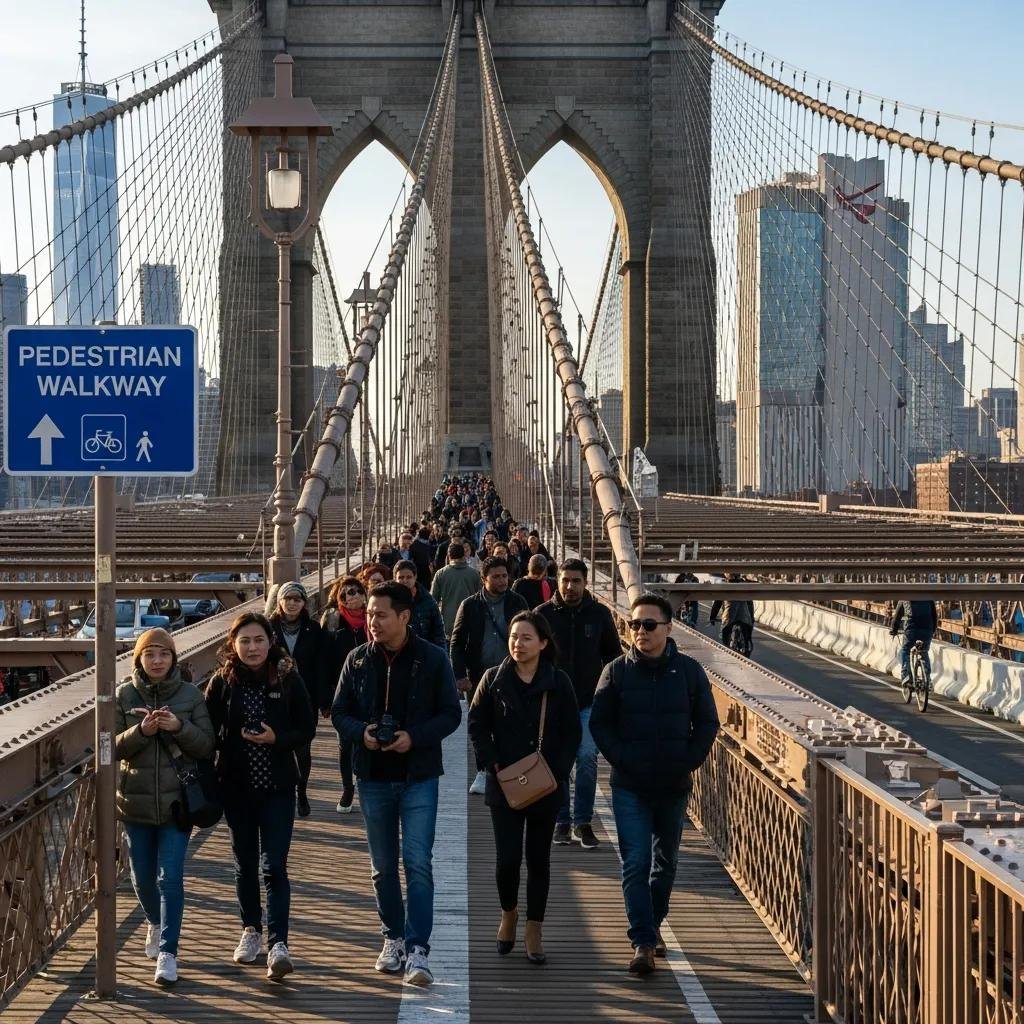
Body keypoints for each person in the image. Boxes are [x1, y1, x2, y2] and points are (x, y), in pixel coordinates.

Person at [331, 581, 461, 987]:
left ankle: (418, 948)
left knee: (418, 862)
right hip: (371, 776)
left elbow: (451, 714)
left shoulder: (433, 659)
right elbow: (338, 712)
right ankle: (393, 938)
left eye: (380, 614)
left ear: (404, 617)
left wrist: (414, 737)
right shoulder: (355, 660)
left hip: (418, 774)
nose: (372, 621)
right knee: (382, 867)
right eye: (369, 614)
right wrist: (363, 733)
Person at [590, 593, 720, 976]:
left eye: (649, 625)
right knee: (636, 861)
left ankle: (653, 923)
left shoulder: (690, 671)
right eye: (634, 625)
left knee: (666, 864)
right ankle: (643, 941)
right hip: (630, 783)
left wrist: (690, 758)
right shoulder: (615, 671)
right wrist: (622, 757)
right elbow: (600, 723)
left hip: (674, 782)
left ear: (668, 628)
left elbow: (708, 722)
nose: (640, 632)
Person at [204, 612, 316, 981]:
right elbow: (208, 731)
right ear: (233, 644)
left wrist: (276, 739)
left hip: (278, 786)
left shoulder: (287, 677)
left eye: (259, 640)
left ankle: (279, 942)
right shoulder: (222, 682)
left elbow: (307, 726)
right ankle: (251, 930)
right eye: (245, 641)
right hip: (236, 787)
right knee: (244, 863)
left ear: (270, 641)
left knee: (274, 865)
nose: (252, 648)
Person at [468, 611, 581, 965]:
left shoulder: (558, 682)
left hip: (546, 783)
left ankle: (534, 927)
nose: (518, 643)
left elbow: (572, 732)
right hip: (505, 782)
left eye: (527, 637)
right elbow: (476, 724)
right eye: (514, 637)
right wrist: (492, 762)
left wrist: (558, 770)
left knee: (539, 860)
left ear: (543, 643)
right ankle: (509, 914)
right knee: (507, 860)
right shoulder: (493, 679)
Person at [115, 628, 215, 987]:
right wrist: (140, 731)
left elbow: (206, 746)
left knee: (169, 877)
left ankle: (169, 953)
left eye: (164, 654)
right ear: (139, 659)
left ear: (174, 658)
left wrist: (179, 726)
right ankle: (155, 923)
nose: (157, 661)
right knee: (141, 877)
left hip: (177, 805)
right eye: (150, 654)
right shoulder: (124, 695)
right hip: (134, 803)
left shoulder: (190, 695)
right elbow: (110, 748)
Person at [536, 558, 621, 848]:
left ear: (585, 584)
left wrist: (611, 694)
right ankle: (562, 820)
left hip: (588, 700)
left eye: (576, 581)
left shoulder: (599, 615)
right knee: (558, 763)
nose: (570, 586)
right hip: (553, 702)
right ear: (556, 581)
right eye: (565, 580)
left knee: (585, 757)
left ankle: (582, 821)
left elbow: (613, 657)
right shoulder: (542, 615)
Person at [450, 557, 529, 795]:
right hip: (480, 674)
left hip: (512, 672)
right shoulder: (470, 605)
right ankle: (484, 771)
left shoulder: (517, 602)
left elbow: (529, 633)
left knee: (514, 721)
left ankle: (514, 771)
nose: (502, 580)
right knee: (481, 723)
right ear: (484, 579)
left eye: (505, 575)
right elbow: (457, 641)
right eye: (496, 576)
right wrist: (459, 674)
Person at [268, 581, 330, 817]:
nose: (292, 603)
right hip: (274, 696)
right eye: (288, 598)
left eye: (297, 599)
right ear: (280, 601)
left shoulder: (314, 629)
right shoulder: (268, 628)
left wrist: (325, 699)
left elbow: (322, 665)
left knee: (303, 750)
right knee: (276, 746)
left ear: (304, 603)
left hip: (305, 697)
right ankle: (281, 792)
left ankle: (301, 791)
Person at [320, 575, 369, 813]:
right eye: (346, 593)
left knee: (369, 738)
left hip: (371, 689)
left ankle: (366, 785)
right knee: (344, 743)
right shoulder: (332, 621)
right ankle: (348, 788)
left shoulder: (374, 618)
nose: (352, 596)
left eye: (356, 591)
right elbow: (325, 662)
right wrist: (326, 698)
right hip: (342, 691)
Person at [430, 541, 481, 638]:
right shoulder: (474, 574)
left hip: (448, 622)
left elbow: (433, 600)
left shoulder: (441, 574)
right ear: (464, 555)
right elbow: (481, 598)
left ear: (449, 557)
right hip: (470, 620)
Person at [393, 559, 446, 648]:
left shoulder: (427, 600)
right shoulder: (389, 599)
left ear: (415, 577)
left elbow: (438, 632)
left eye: (409, 577)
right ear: (395, 578)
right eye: (401, 577)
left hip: (423, 651)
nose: (405, 581)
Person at [889, 599, 938, 684]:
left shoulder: (906, 595)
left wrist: (894, 630)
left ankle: (905, 674)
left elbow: (897, 616)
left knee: (905, 650)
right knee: (924, 651)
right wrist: (932, 630)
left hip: (911, 629)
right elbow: (934, 616)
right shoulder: (928, 596)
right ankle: (927, 678)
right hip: (927, 628)